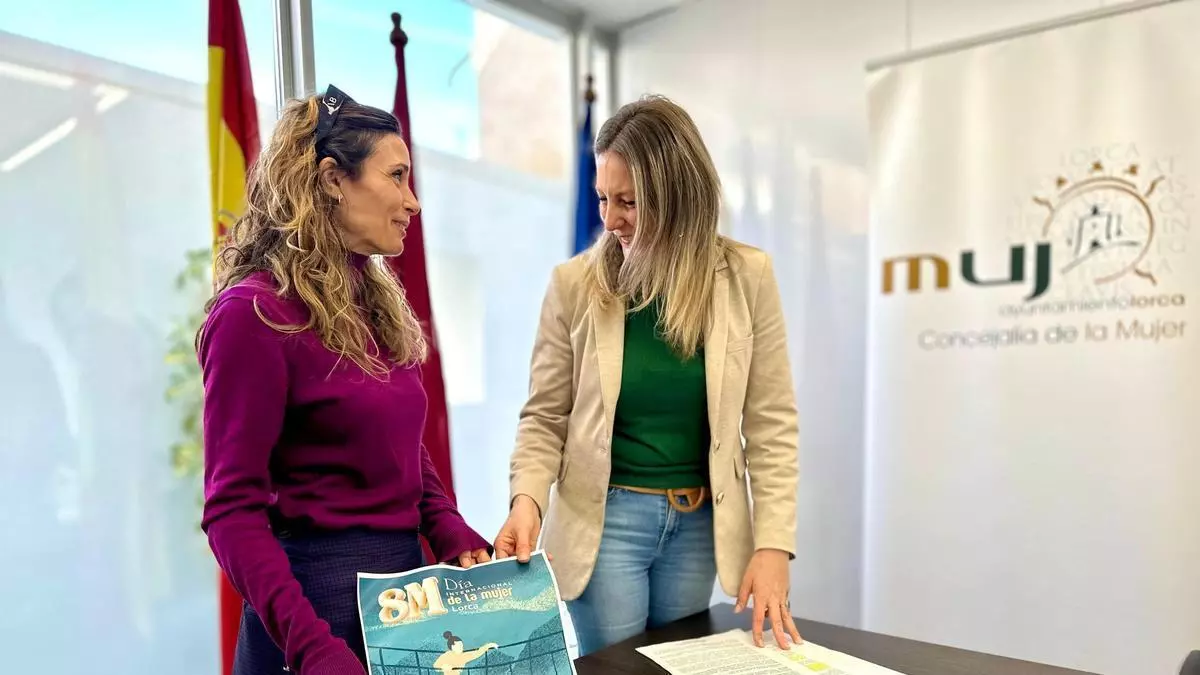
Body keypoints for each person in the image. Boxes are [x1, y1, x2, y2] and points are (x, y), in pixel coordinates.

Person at [493, 95, 803, 656]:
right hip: (605, 522)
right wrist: (527, 500)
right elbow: (544, 416)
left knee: (677, 665)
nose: (610, 220)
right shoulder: (573, 285)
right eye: (603, 198)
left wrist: (774, 545)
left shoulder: (747, 277)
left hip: (700, 525)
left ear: (678, 195)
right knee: (618, 667)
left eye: (629, 202)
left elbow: (772, 423)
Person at [198, 85, 491, 675]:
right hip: (310, 626)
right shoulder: (253, 315)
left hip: (401, 610)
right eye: (397, 177)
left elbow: (397, 445)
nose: (413, 202)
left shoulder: (373, 304)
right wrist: (313, 648)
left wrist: (448, 527)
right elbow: (231, 512)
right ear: (334, 179)